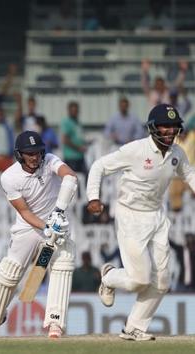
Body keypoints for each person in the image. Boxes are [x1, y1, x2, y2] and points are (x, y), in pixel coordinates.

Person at [87, 103, 195, 341]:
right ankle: (109, 277)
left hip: (157, 216)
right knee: (140, 279)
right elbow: (99, 166)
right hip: (130, 215)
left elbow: (190, 175)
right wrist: (93, 197)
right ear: (153, 127)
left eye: (174, 127)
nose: (170, 131)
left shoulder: (177, 153)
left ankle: (134, 328)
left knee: (162, 281)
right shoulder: (135, 150)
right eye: (165, 126)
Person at [0, 131, 78, 339]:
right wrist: (46, 227)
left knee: (63, 265)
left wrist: (57, 213)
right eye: (29, 154)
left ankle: (55, 323)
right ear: (19, 154)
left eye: (38, 153)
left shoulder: (49, 161)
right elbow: (25, 212)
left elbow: (70, 176)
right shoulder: (9, 177)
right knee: (10, 271)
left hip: (56, 223)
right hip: (29, 227)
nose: (35, 157)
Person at [61, 101, 88, 174]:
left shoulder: (78, 122)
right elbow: (65, 139)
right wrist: (78, 148)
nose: (74, 112)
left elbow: (78, 137)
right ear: (69, 111)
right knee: (72, 180)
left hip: (80, 156)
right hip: (71, 157)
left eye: (76, 111)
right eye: (72, 111)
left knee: (85, 177)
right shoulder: (66, 122)